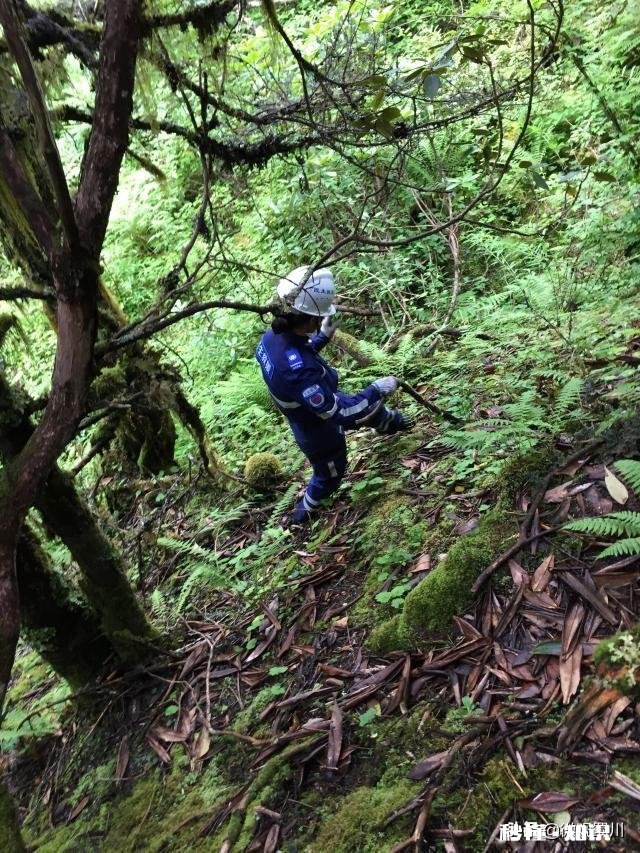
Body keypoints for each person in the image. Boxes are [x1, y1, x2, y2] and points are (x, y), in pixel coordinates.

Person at [255, 265, 415, 524]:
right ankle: (304, 513)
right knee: (330, 472)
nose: (320, 324)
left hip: (311, 403)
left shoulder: (273, 336)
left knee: (362, 407)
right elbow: (336, 412)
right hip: (315, 426)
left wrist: (323, 338)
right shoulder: (299, 372)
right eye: (318, 320)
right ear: (308, 318)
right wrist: (376, 389)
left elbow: (300, 355)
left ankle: (388, 422)